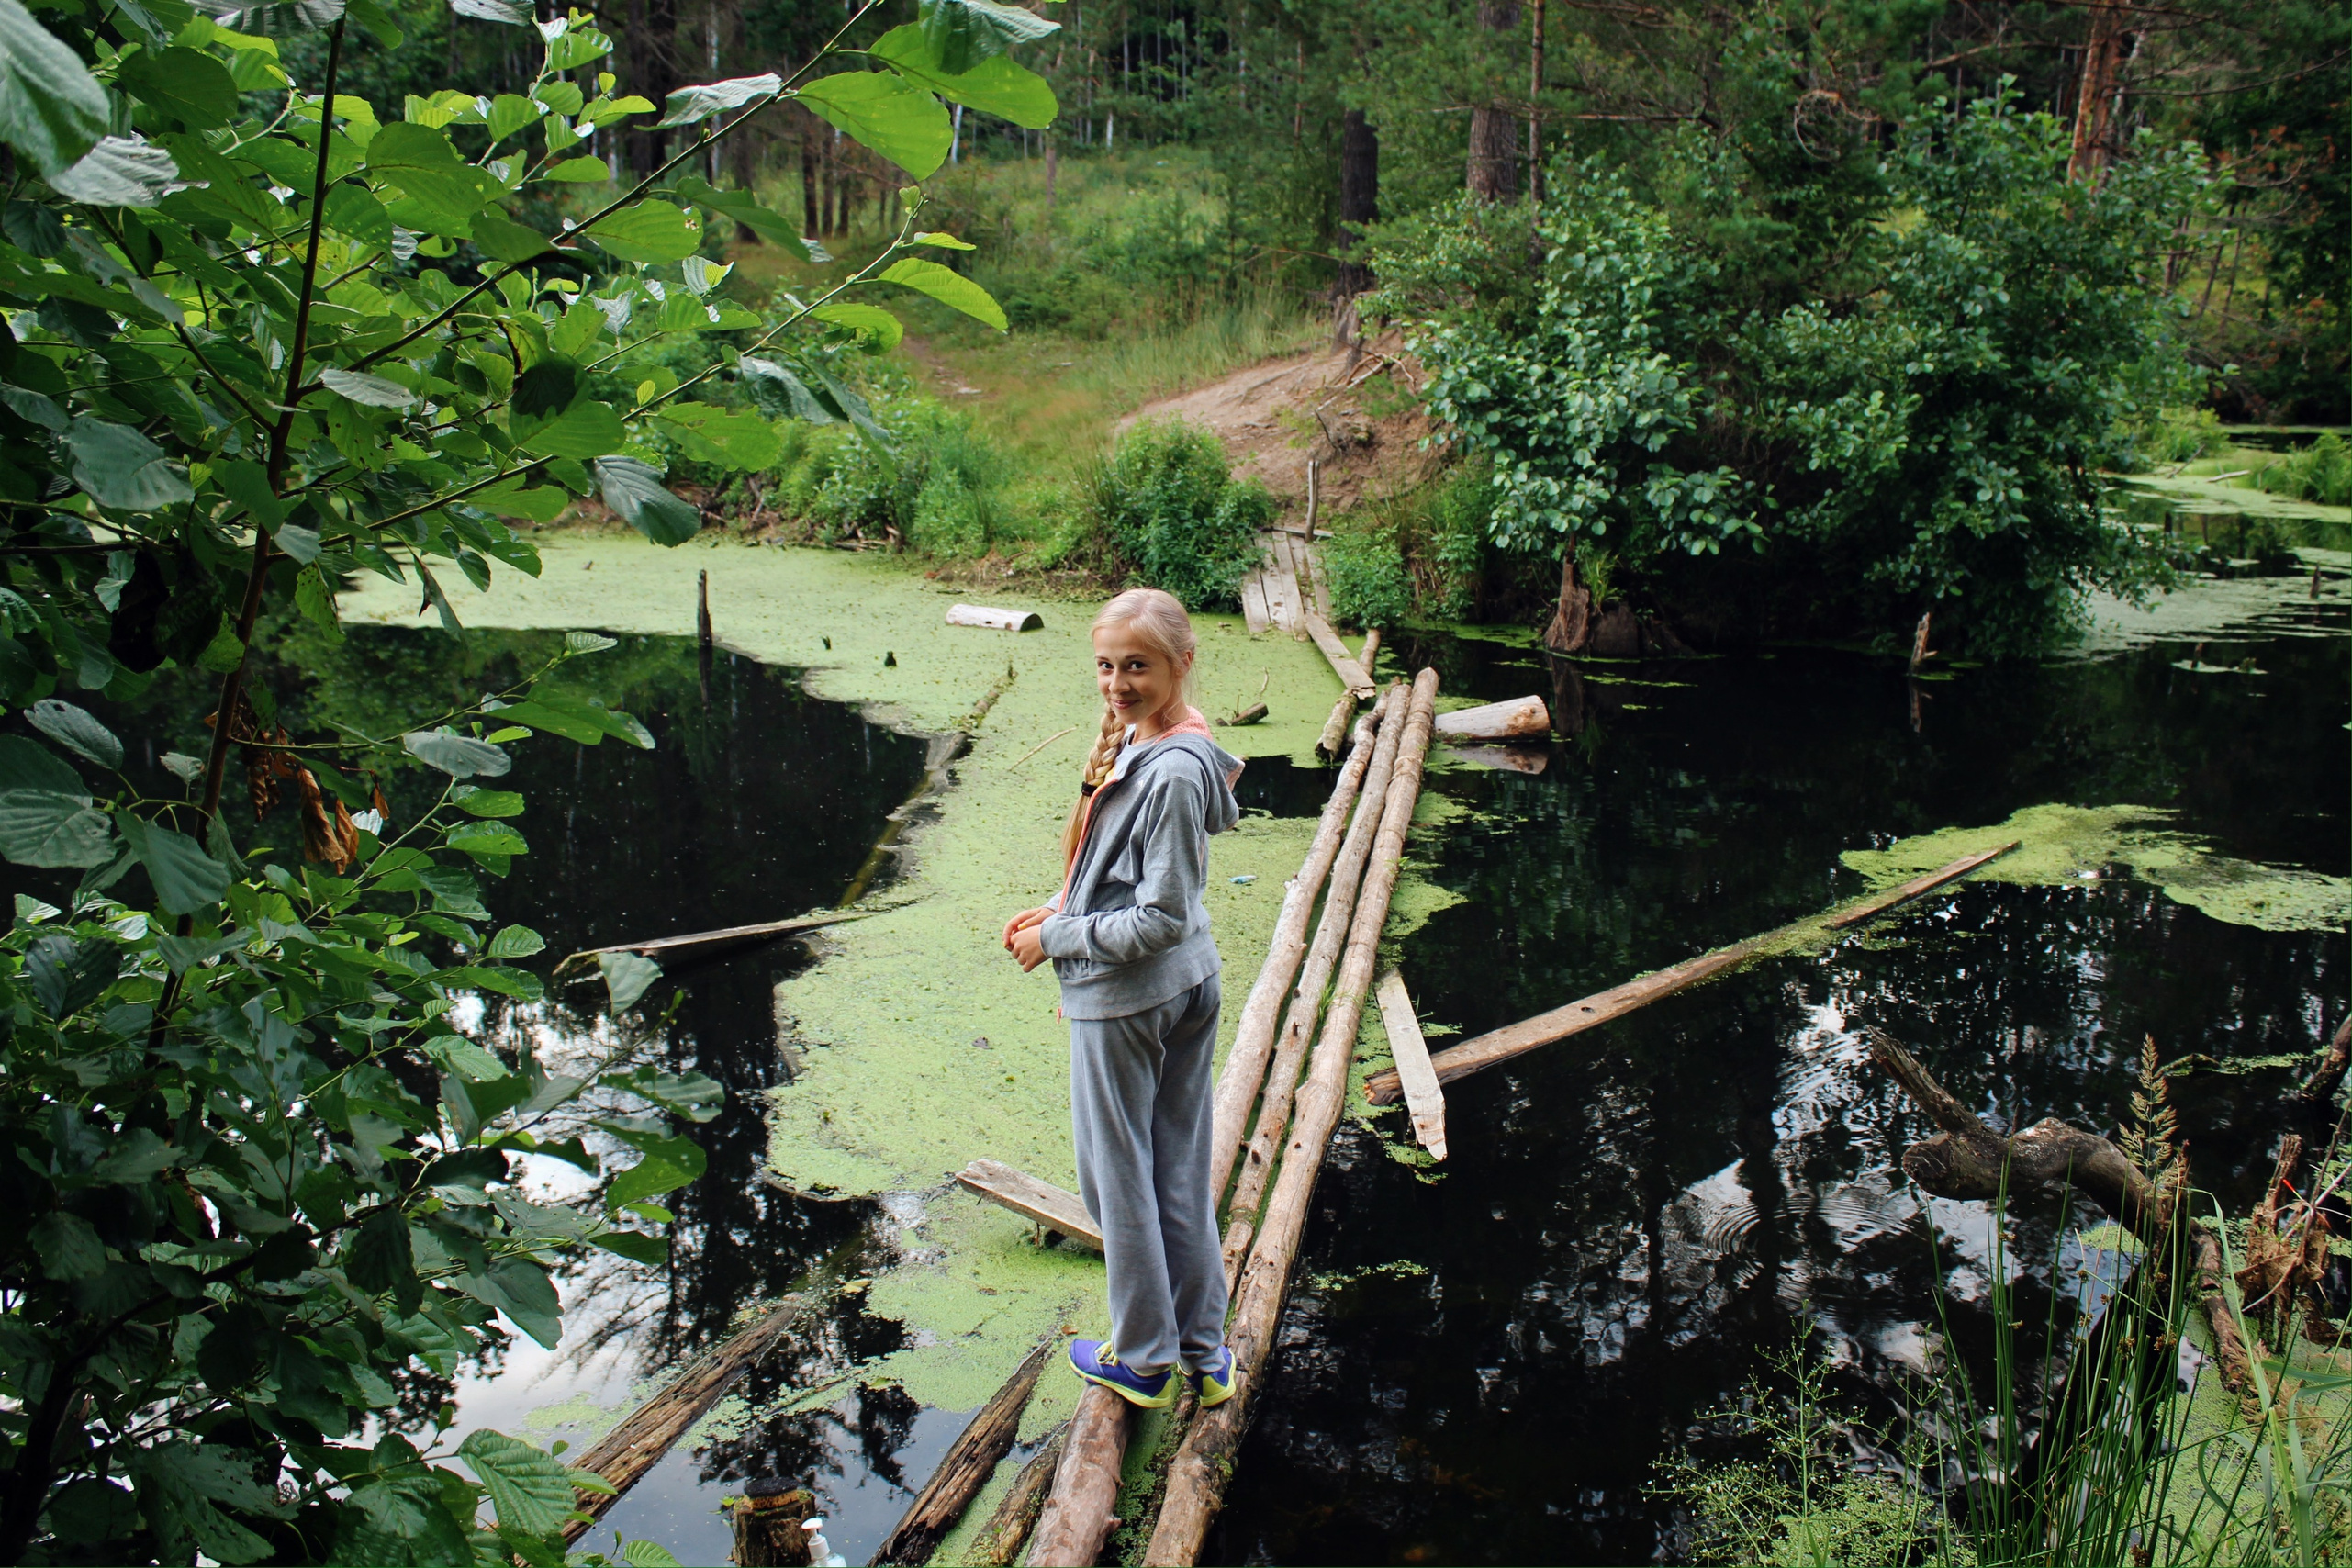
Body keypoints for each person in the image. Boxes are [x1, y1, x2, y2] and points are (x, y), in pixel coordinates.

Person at [1001, 588, 1245, 1410]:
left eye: (1136, 666)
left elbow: (1160, 915)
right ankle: (1205, 1354)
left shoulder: (1170, 772)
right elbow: (1121, 878)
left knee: (1118, 1181)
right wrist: (1056, 908)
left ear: (1182, 662)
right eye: (1106, 665)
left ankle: (1143, 1359)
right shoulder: (1169, 738)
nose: (1116, 683)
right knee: (1176, 1169)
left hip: (1135, 998)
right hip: (1185, 983)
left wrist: (1058, 938)